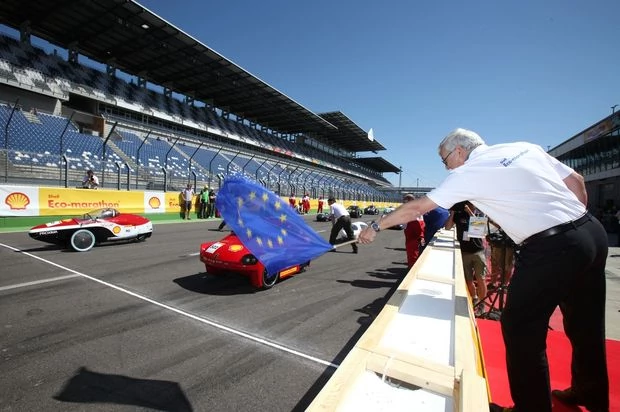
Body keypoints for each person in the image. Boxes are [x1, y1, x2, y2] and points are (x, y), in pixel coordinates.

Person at [358, 128, 609, 412]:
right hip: (591, 232)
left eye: (445, 160)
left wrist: (376, 225)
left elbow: (418, 207)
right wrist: (573, 225)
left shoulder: (468, 173)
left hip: (551, 245)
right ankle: (591, 394)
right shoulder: (523, 145)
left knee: (520, 328)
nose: (446, 167)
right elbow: (576, 181)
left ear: (459, 152)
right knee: (586, 324)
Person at [444, 201, 488, 308]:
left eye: (470, 204)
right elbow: (447, 227)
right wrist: (453, 213)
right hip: (464, 252)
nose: (467, 206)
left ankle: (482, 303)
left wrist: (470, 213)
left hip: (478, 252)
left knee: (480, 279)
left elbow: (480, 231)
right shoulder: (459, 215)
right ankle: (474, 298)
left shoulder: (479, 214)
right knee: (468, 279)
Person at [402, 194, 425, 268]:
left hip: (414, 236)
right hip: (412, 235)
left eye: (406, 200)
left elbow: (420, 225)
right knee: (412, 255)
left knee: (413, 256)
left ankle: (412, 271)